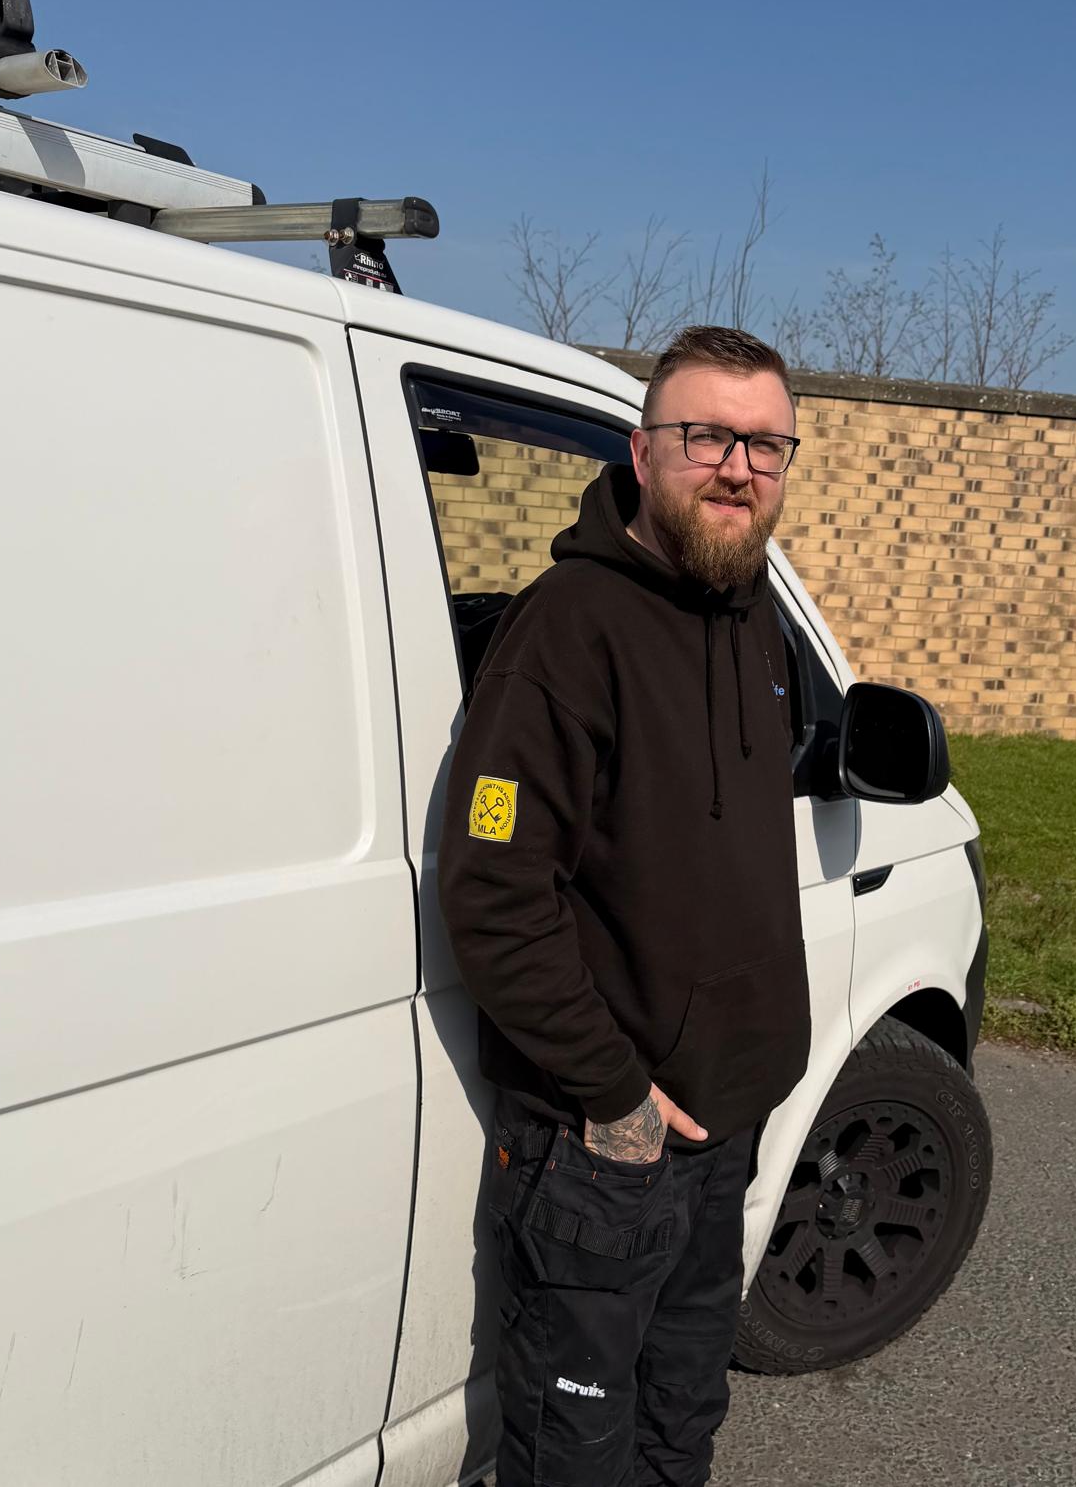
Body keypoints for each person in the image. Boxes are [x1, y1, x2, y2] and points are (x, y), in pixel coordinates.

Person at [437, 325, 811, 1486]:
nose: (737, 466)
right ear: (643, 452)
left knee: (677, 1432)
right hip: (605, 1151)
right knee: (572, 1461)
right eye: (706, 435)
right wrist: (613, 1094)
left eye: (765, 443)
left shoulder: (754, 615)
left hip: (723, 1139)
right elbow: (494, 886)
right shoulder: (568, 628)